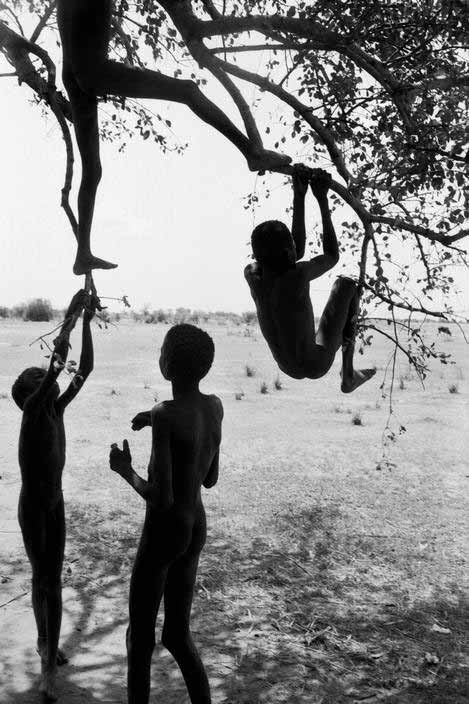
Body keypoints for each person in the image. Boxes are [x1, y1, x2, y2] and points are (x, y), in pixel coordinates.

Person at [57, 0, 290, 275]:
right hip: (95, 71)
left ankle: (82, 253)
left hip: (72, 75)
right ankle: (252, 153)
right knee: (188, 91)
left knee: (92, 170)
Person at [109, 323, 223, 704]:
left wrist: (126, 470)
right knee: (177, 635)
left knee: (138, 641)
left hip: (165, 531)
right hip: (196, 527)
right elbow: (209, 478)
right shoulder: (214, 406)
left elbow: (160, 498)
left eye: (161, 351)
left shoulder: (165, 413)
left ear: (167, 365)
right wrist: (156, 420)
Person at [11, 289, 96, 700]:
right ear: (32, 393)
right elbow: (58, 365)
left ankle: (48, 644)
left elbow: (84, 369)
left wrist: (85, 323)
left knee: (52, 580)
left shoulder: (55, 410)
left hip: (54, 503)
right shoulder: (33, 411)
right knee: (44, 579)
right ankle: (46, 666)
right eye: (39, 381)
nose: (45, 383)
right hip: (33, 508)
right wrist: (70, 313)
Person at [244, 164, 376, 392]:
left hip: (287, 367)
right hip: (317, 363)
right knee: (345, 285)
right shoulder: (298, 274)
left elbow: (296, 252)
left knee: (308, 334)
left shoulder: (253, 274)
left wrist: (300, 196)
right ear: (288, 253)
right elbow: (332, 256)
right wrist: (322, 199)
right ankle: (348, 373)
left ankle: (348, 373)